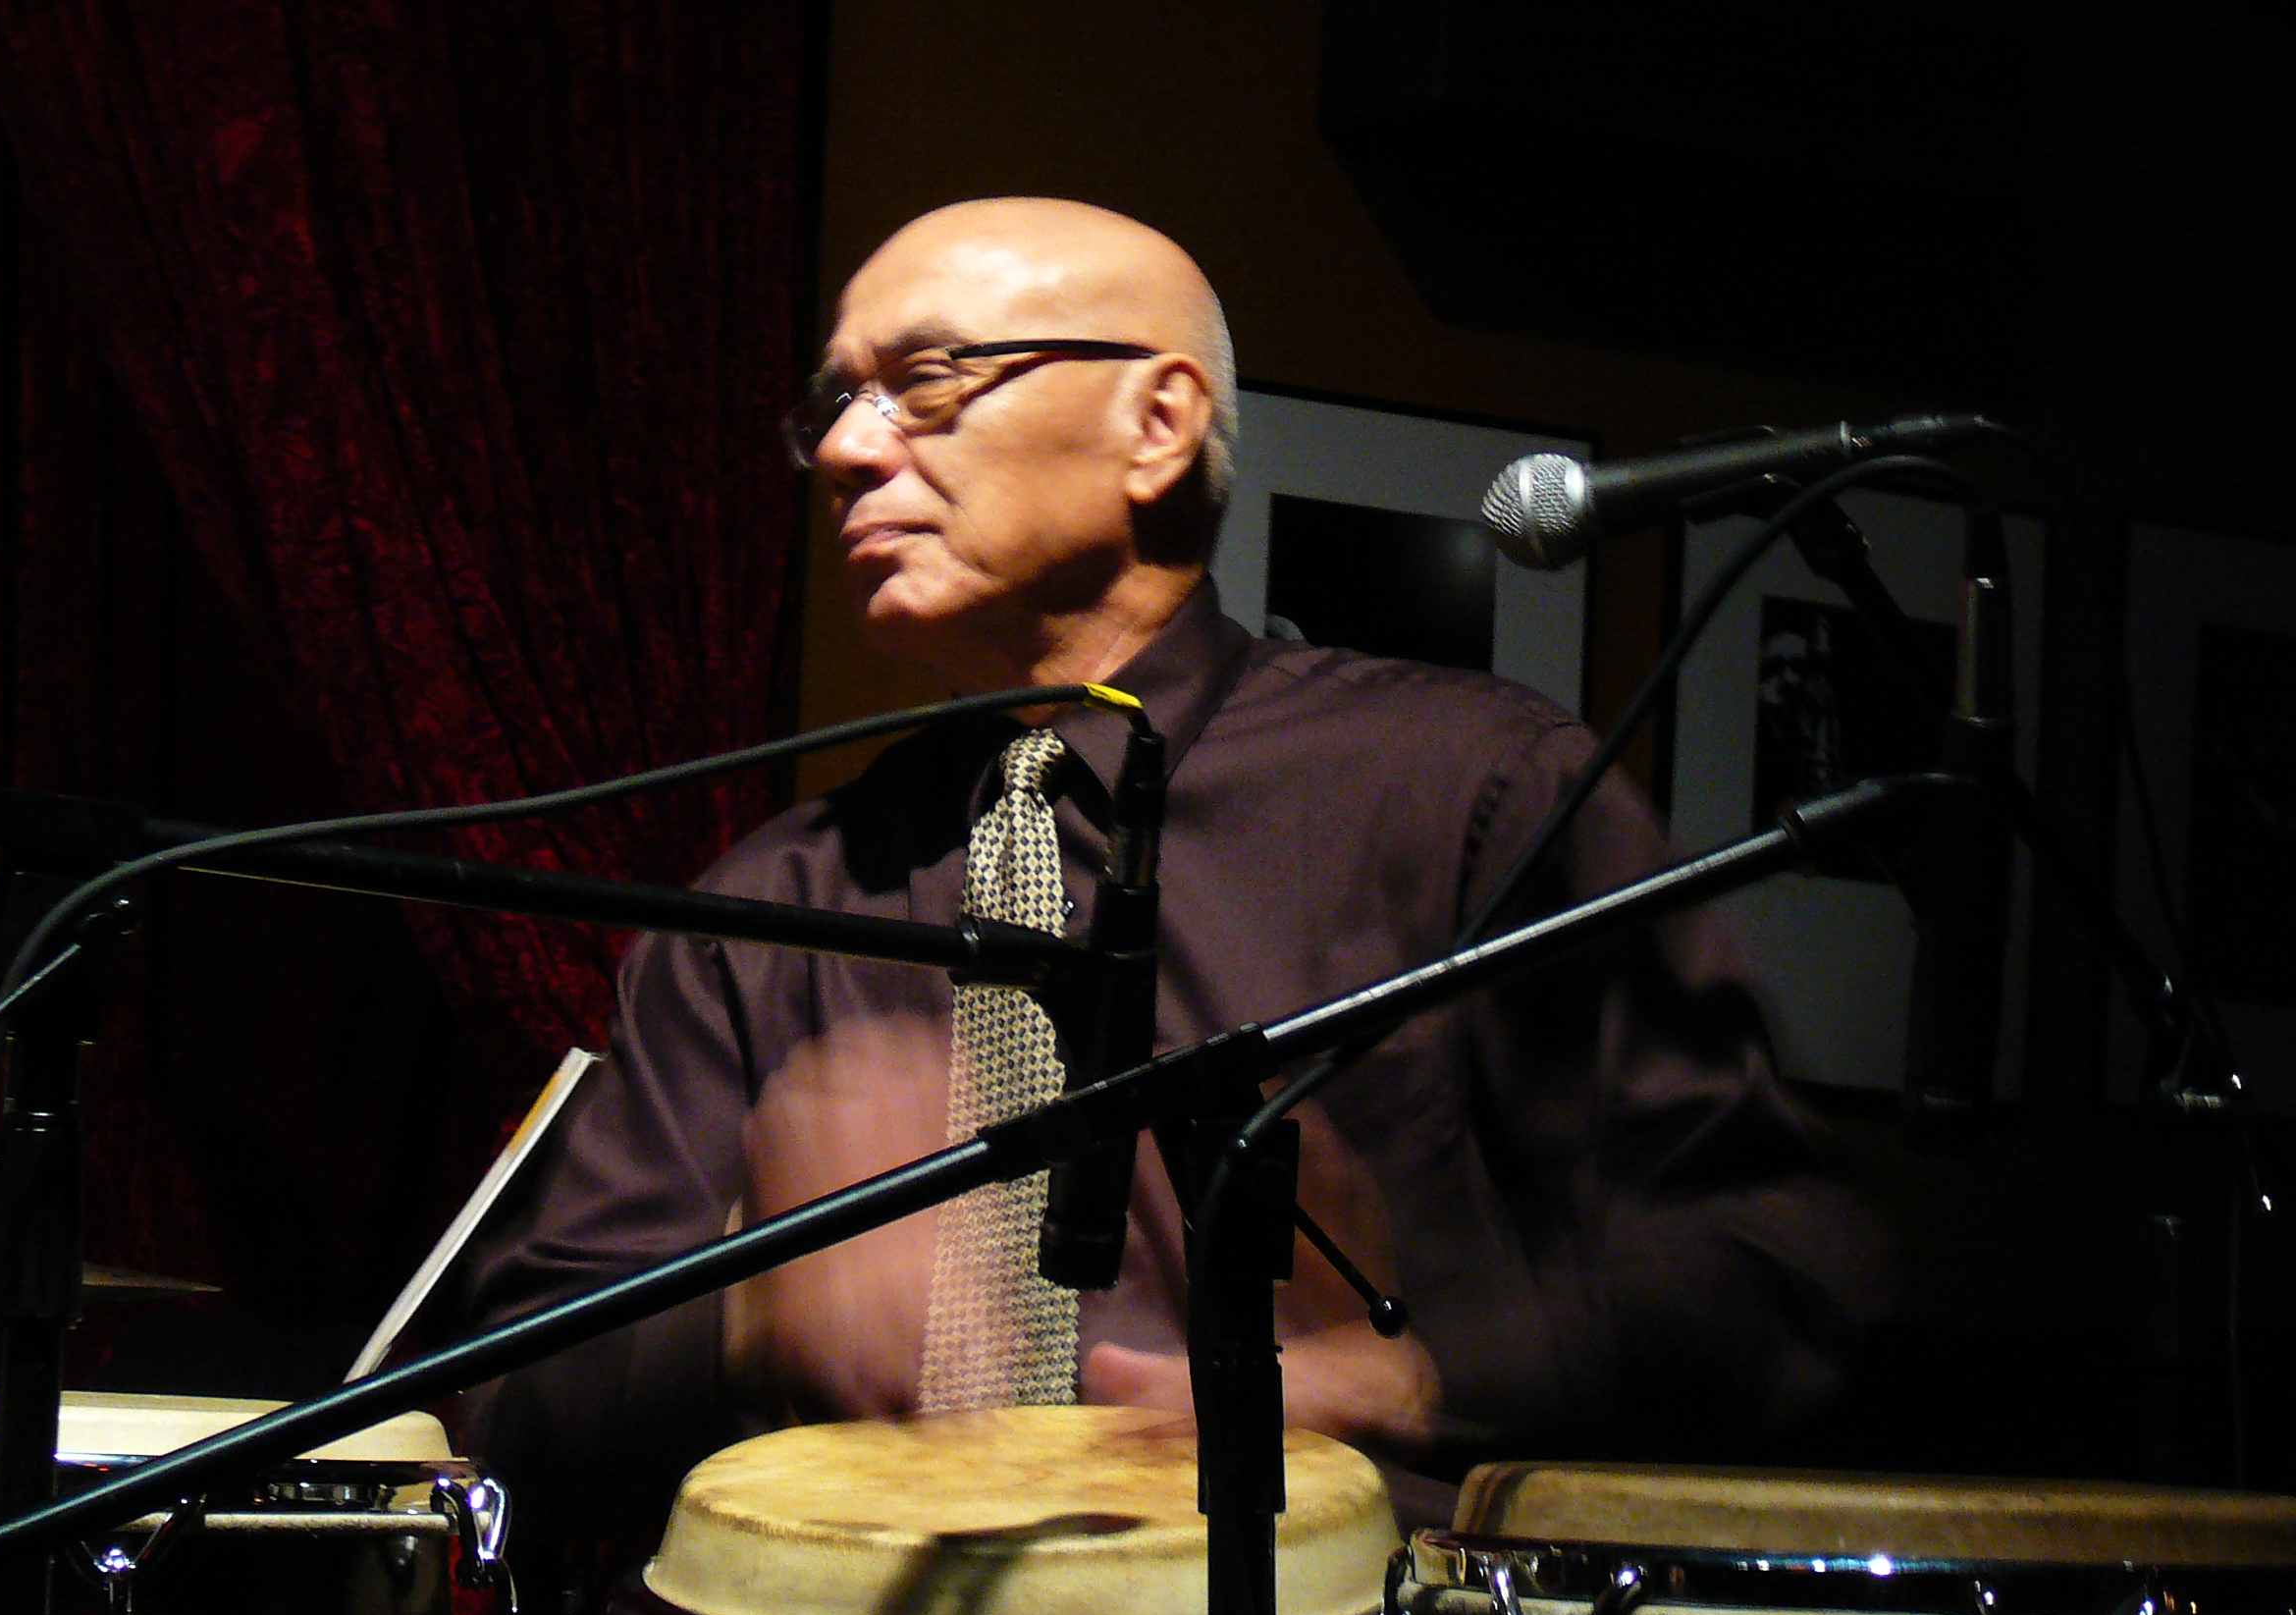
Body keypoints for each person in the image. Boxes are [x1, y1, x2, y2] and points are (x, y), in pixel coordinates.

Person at [455, 198, 1889, 1532]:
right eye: (834, 401)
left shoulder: (1469, 794)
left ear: (1157, 423)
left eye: (926, 380)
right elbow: (509, 1403)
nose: (843, 449)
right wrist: (761, 1306)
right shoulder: (760, 914)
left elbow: (1774, 1276)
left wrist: (1392, 1379)